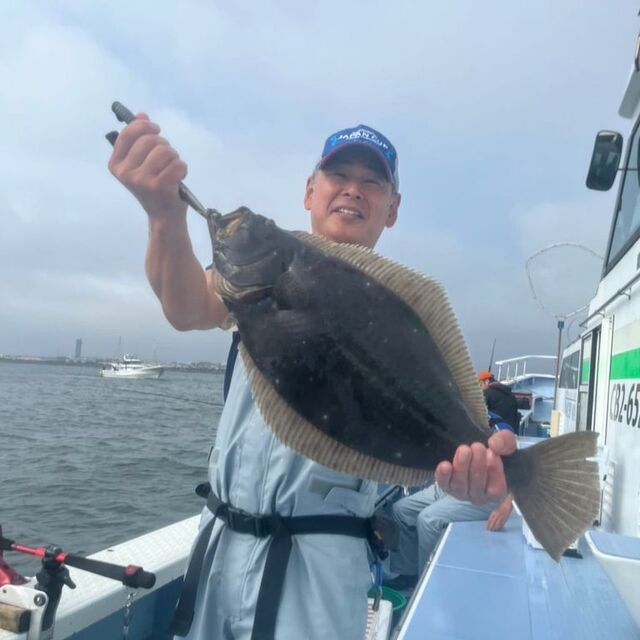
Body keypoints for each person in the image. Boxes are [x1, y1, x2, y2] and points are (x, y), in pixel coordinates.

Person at [108, 116, 517, 640]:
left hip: (320, 568)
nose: (352, 190)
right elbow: (187, 306)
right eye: (337, 175)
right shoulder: (266, 273)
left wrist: (482, 464)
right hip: (218, 551)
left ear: (392, 209)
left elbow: (456, 424)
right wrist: (164, 214)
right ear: (309, 191)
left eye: (372, 182)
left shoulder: (398, 310)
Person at [386, 412, 515, 590]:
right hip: (447, 486)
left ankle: (426, 583)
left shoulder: (496, 424)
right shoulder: (450, 414)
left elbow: (515, 468)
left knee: (427, 520)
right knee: (401, 509)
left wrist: (506, 506)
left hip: (480, 494)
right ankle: (408, 573)